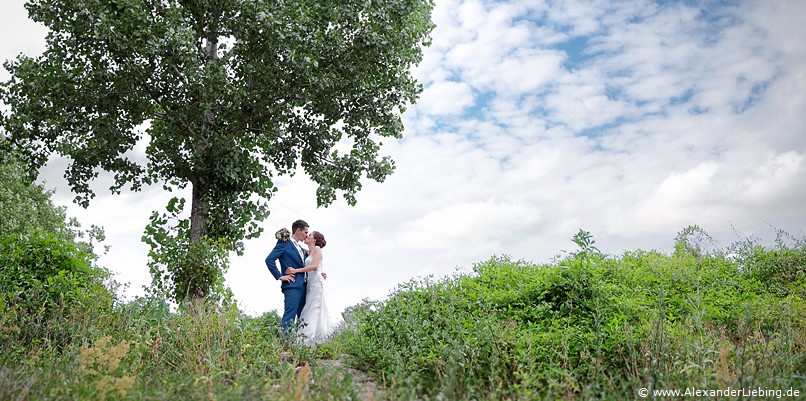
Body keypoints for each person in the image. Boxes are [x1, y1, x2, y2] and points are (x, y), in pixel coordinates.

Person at [286, 231, 343, 345]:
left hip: (317, 283)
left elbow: (315, 266)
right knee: (311, 307)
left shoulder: (317, 249)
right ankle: (312, 337)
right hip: (310, 284)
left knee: (316, 308)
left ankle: (314, 338)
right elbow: (296, 246)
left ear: (315, 240)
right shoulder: (308, 252)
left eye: (310, 235)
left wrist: (295, 270)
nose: (307, 236)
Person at [265, 219, 309, 339]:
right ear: (298, 230)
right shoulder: (284, 243)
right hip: (292, 286)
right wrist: (280, 276)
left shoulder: (300, 247)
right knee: (290, 315)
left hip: (305, 286)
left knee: (304, 316)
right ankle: (284, 345)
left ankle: (301, 345)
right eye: (305, 232)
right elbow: (269, 260)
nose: (306, 235)